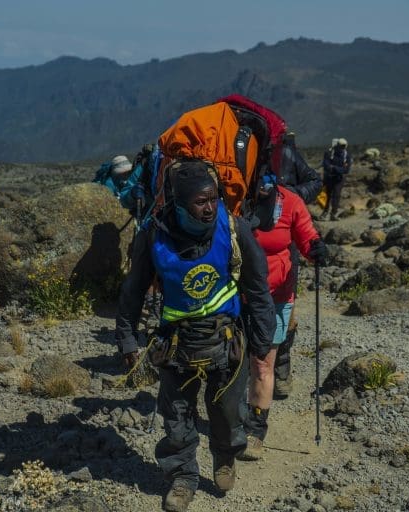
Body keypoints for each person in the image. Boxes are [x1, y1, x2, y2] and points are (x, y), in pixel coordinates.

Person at [115, 160, 275, 512]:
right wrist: (127, 338)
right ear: (179, 202)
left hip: (226, 341)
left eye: (213, 199)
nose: (210, 208)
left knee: (225, 410)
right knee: (177, 415)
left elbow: (258, 288)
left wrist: (263, 341)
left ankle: (224, 457)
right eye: (200, 202)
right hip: (176, 344)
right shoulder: (153, 235)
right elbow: (133, 290)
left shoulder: (233, 229)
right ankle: (182, 477)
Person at [238, 175, 328, 461]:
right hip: (234, 295)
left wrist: (315, 248)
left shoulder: (290, 202)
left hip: (276, 296)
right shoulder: (235, 199)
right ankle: (230, 419)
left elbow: (306, 236)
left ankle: (254, 431)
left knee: (263, 363)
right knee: (235, 362)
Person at [275, 132, 324, 398]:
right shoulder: (240, 155)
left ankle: (281, 369)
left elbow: (315, 181)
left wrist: (290, 195)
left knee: (285, 308)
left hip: (285, 243)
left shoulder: (285, 152)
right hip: (251, 243)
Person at [320, 138, 352, 221]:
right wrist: (339, 169)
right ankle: (325, 212)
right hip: (329, 178)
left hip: (339, 179)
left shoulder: (346, 155)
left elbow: (346, 170)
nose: (342, 147)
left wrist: (333, 167)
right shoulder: (329, 153)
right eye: (341, 146)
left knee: (336, 195)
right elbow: (326, 165)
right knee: (328, 195)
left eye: (343, 146)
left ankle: (333, 213)